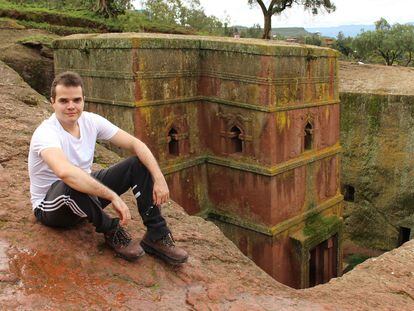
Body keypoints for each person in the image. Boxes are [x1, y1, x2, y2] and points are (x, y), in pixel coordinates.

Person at [28, 71, 188, 264]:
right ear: (52, 101)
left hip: (86, 199)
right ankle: (112, 230)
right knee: (72, 181)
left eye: (76, 100)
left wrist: (159, 178)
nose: (71, 106)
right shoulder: (45, 133)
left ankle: (156, 234)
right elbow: (65, 172)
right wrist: (112, 196)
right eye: (64, 101)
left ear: (83, 100)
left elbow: (136, 144)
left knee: (137, 164)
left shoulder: (90, 121)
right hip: (53, 207)